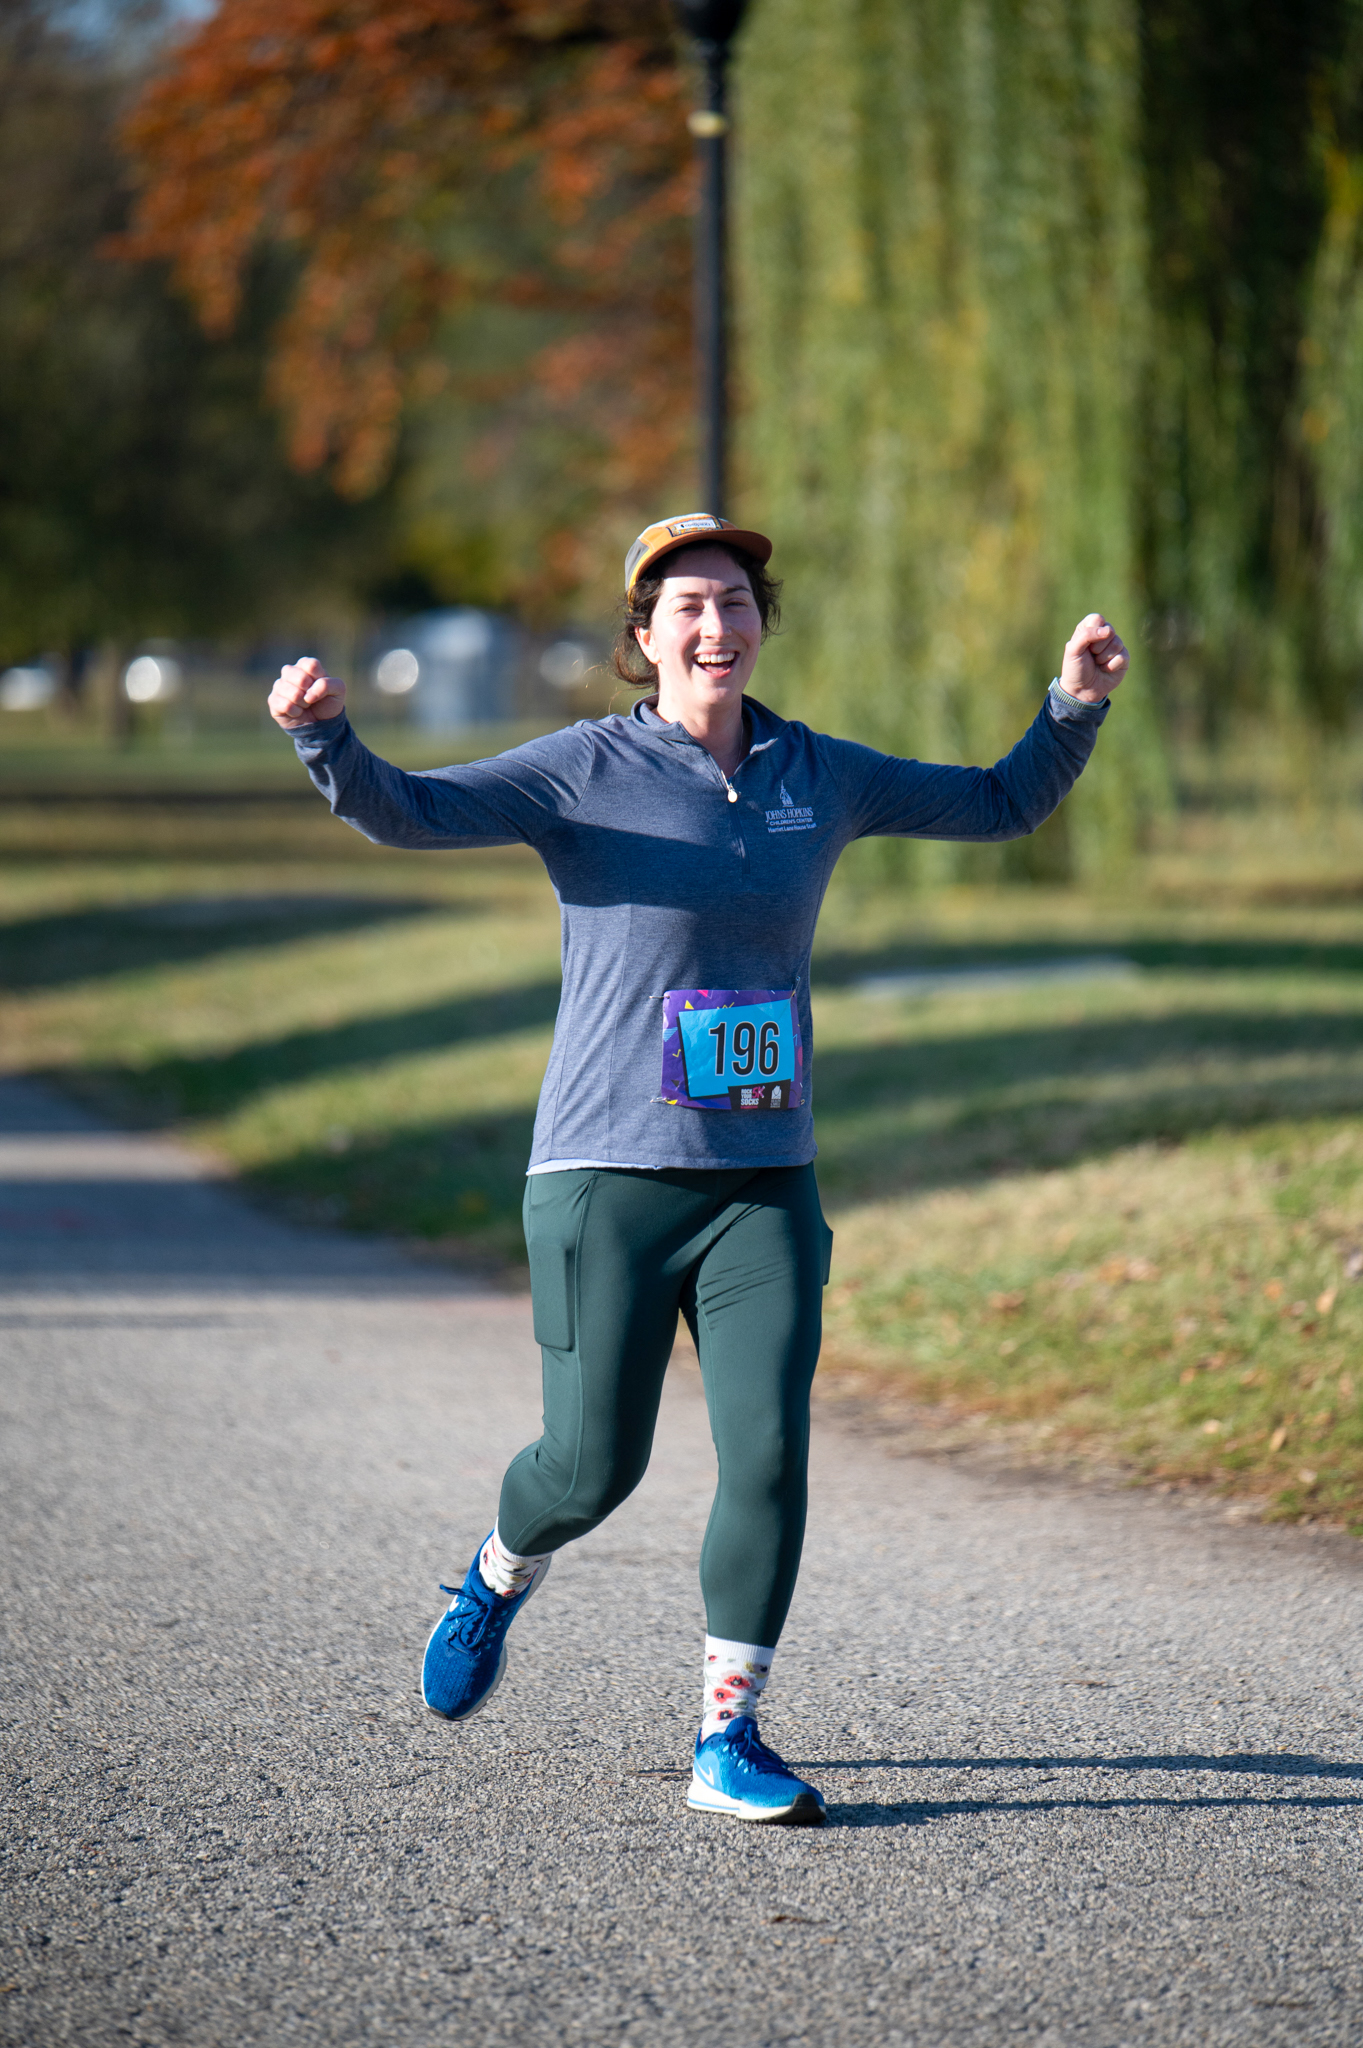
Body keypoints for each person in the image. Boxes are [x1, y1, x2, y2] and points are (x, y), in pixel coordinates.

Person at [269, 512, 1129, 1826]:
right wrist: (326, 739)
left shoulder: (814, 773)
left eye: (734, 601)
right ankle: (500, 1570)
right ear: (644, 637)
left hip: (762, 1178)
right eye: (686, 607)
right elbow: (415, 811)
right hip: (605, 1175)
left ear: (761, 623)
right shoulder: (582, 769)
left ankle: (728, 1739)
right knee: (587, 1468)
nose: (715, 626)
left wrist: (1072, 705)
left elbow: (998, 800)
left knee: (769, 1452)